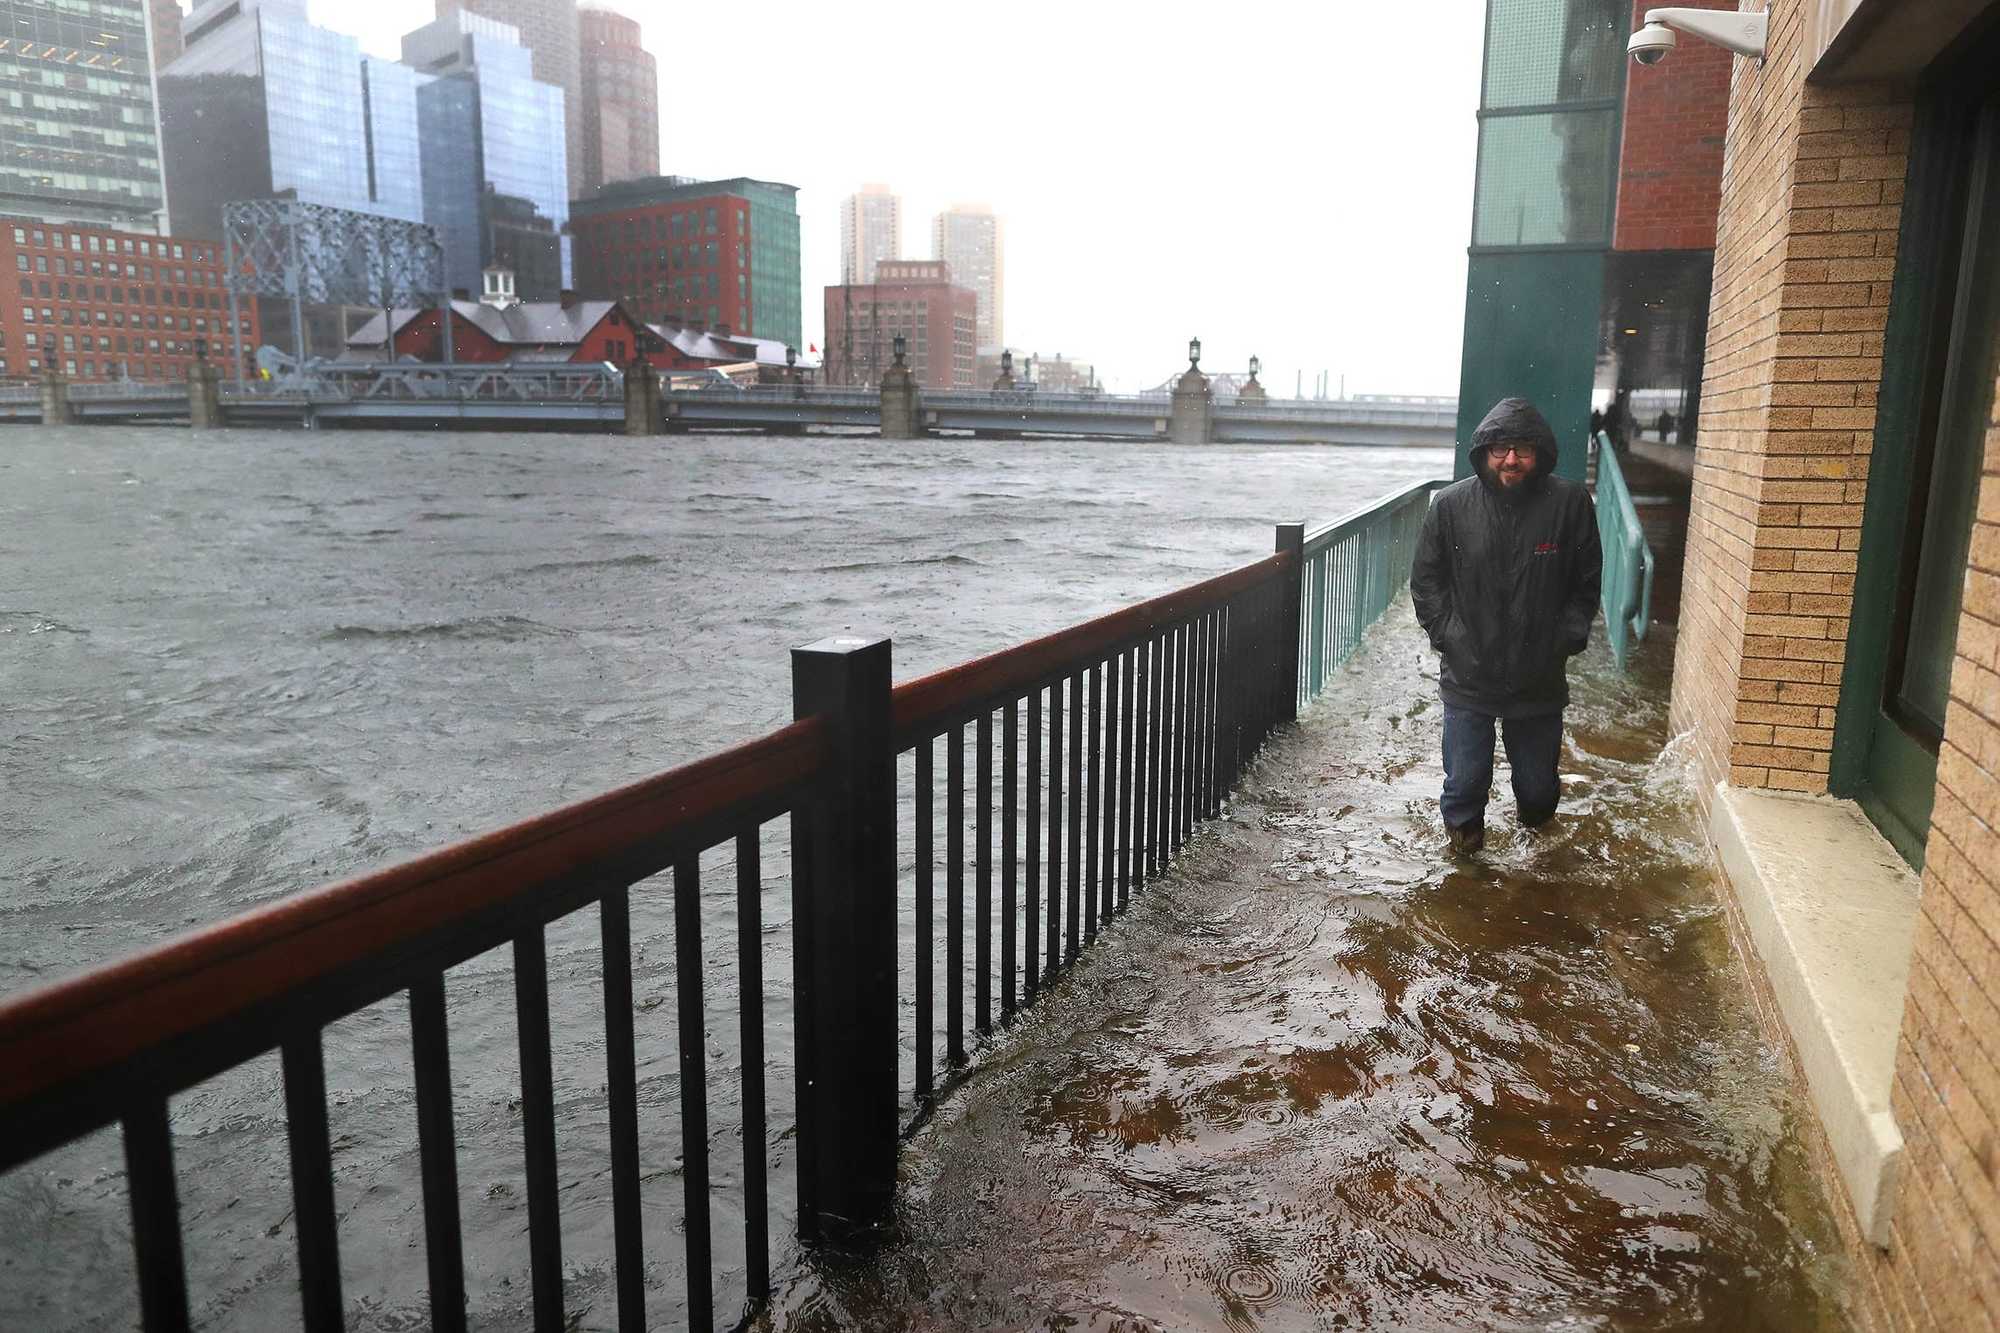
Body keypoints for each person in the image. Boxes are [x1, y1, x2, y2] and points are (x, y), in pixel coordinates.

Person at [1410, 398, 1603, 853]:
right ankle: (1464, 873)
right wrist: (1450, 637)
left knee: (1537, 792)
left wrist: (1564, 640)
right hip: (1468, 676)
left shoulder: (1570, 503)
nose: (1511, 459)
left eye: (1522, 449)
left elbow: (1586, 583)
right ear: (1483, 452)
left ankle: (1534, 863)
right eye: (1499, 449)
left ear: (1541, 454)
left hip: (1539, 679)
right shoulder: (1450, 506)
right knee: (1464, 790)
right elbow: (1426, 583)